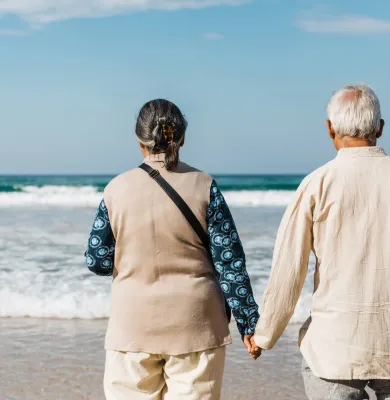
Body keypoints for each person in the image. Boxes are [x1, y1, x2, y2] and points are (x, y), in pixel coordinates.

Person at [250, 84, 390, 400]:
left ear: (330, 129)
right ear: (379, 128)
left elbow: (288, 272)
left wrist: (264, 335)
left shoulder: (317, 184)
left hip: (333, 348)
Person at [85, 99, 259, 400]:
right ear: (182, 138)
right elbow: (229, 263)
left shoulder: (115, 189)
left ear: (139, 139)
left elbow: (97, 260)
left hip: (132, 326)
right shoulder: (205, 185)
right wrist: (249, 323)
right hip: (197, 326)